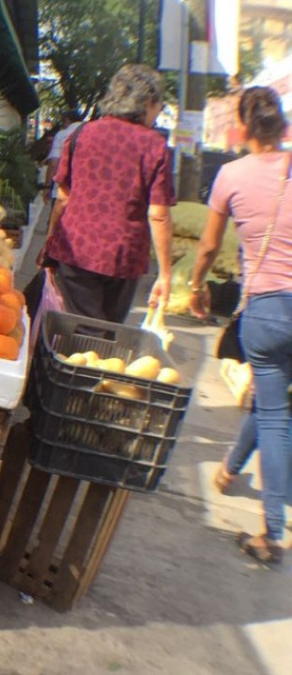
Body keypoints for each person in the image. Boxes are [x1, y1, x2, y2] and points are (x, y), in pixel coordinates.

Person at [189, 86, 292, 564]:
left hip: (267, 310)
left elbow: (209, 246)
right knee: (271, 402)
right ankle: (231, 468)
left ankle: (272, 532)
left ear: (244, 127)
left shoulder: (231, 175)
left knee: (274, 414)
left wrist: (196, 286)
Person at [45, 64, 175, 323]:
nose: (158, 111)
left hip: (76, 247)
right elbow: (158, 215)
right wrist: (165, 273)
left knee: (83, 328)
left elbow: (63, 197)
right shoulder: (154, 146)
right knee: (109, 330)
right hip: (123, 257)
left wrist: (50, 239)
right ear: (148, 102)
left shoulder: (82, 134)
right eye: (158, 105)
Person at [43, 110, 82, 203]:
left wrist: (47, 186)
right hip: (84, 190)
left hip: (62, 189)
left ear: (67, 120)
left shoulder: (61, 135)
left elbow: (53, 164)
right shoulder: (92, 134)